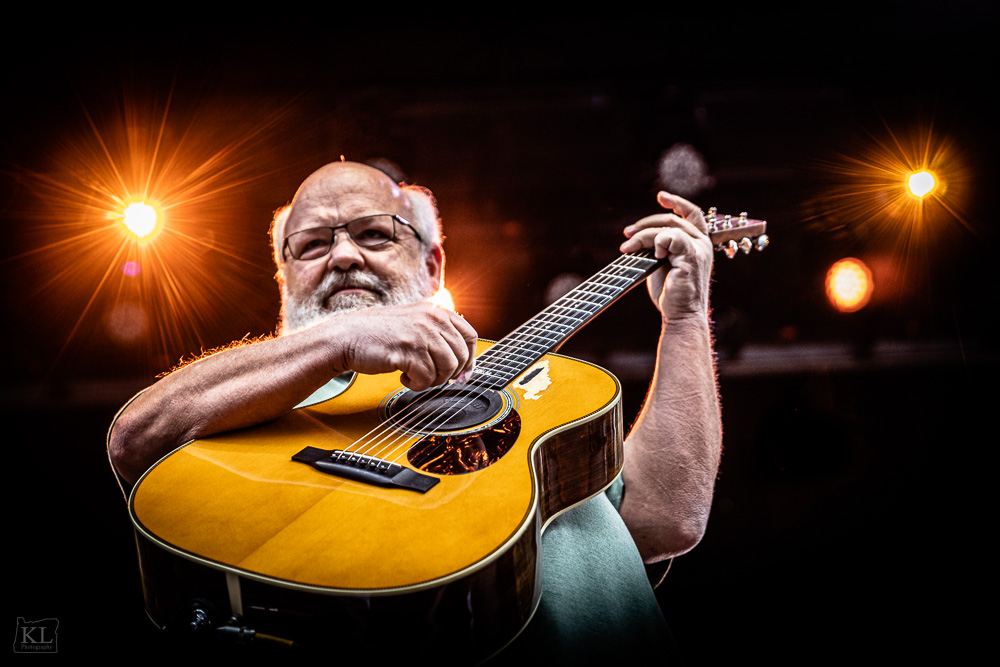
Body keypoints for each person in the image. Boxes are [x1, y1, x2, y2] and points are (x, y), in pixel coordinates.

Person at [108, 161, 722, 663]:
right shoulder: (246, 397)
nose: (344, 256)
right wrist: (337, 341)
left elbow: (667, 516)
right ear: (284, 277)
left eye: (374, 235)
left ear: (432, 265)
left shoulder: (552, 395)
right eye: (313, 244)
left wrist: (687, 319)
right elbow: (136, 439)